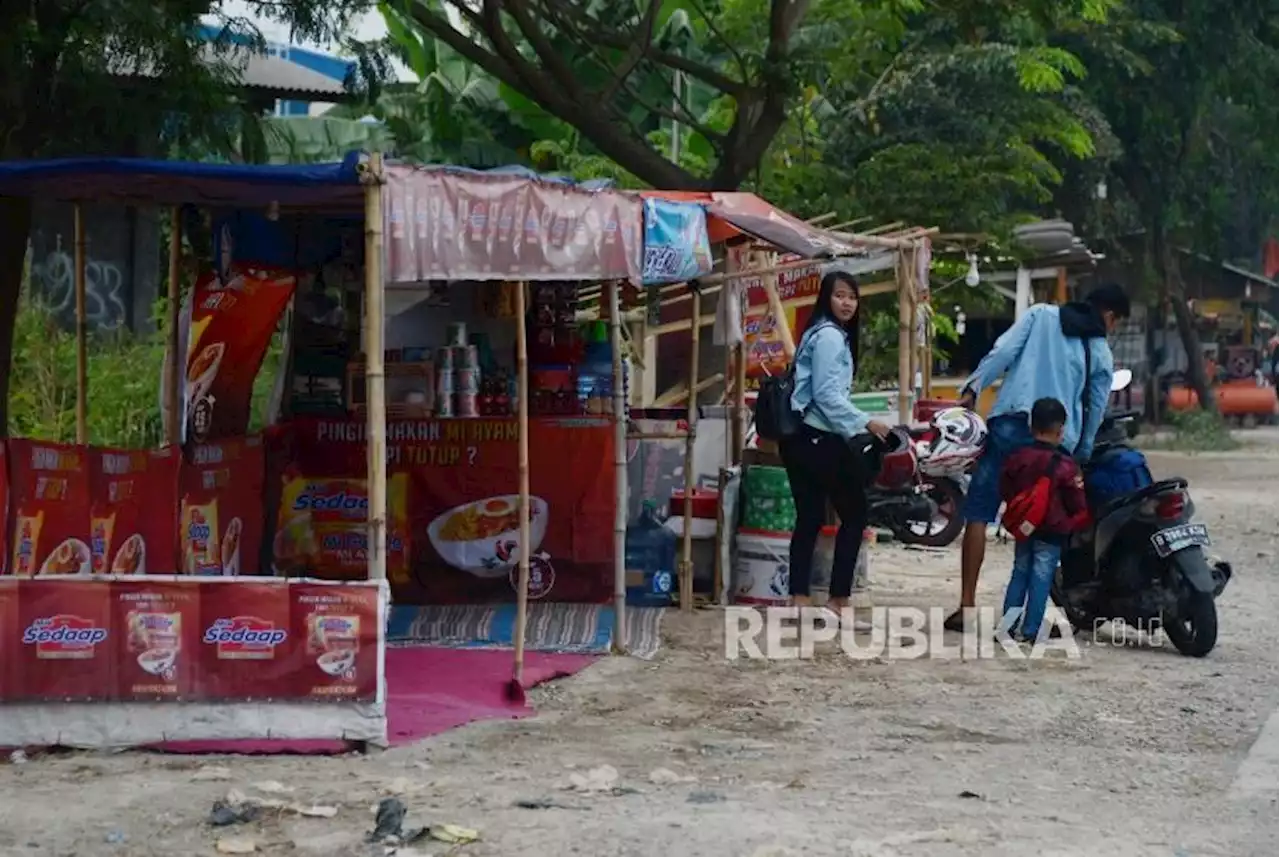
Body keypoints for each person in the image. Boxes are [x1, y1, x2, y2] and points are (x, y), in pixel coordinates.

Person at [946, 283, 1130, 632]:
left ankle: (967, 605)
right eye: (1116, 321)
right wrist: (1082, 452)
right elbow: (1094, 408)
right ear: (1108, 316)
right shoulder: (1100, 351)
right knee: (1043, 527)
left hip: (1010, 427)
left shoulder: (1039, 316)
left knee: (979, 513)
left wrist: (973, 388)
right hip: (1056, 446)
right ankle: (1029, 622)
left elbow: (1002, 352)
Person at [780, 271, 891, 625]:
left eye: (852, 297)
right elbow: (828, 396)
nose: (847, 303)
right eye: (840, 295)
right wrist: (866, 423)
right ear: (827, 298)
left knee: (810, 517)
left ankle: (798, 599)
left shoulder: (816, 332)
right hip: (819, 438)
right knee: (855, 514)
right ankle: (838, 601)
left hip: (800, 439)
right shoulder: (829, 336)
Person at [997, 398, 1091, 642]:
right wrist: (1074, 523)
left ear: (1031, 426)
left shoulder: (1017, 457)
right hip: (1052, 530)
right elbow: (1077, 502)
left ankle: (1007, 627)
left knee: (1019, 573)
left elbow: (1005, 488)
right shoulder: (1066, 464)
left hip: (1024, 528)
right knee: (1041, 578)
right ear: (1061, 429)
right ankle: (1030, 631)